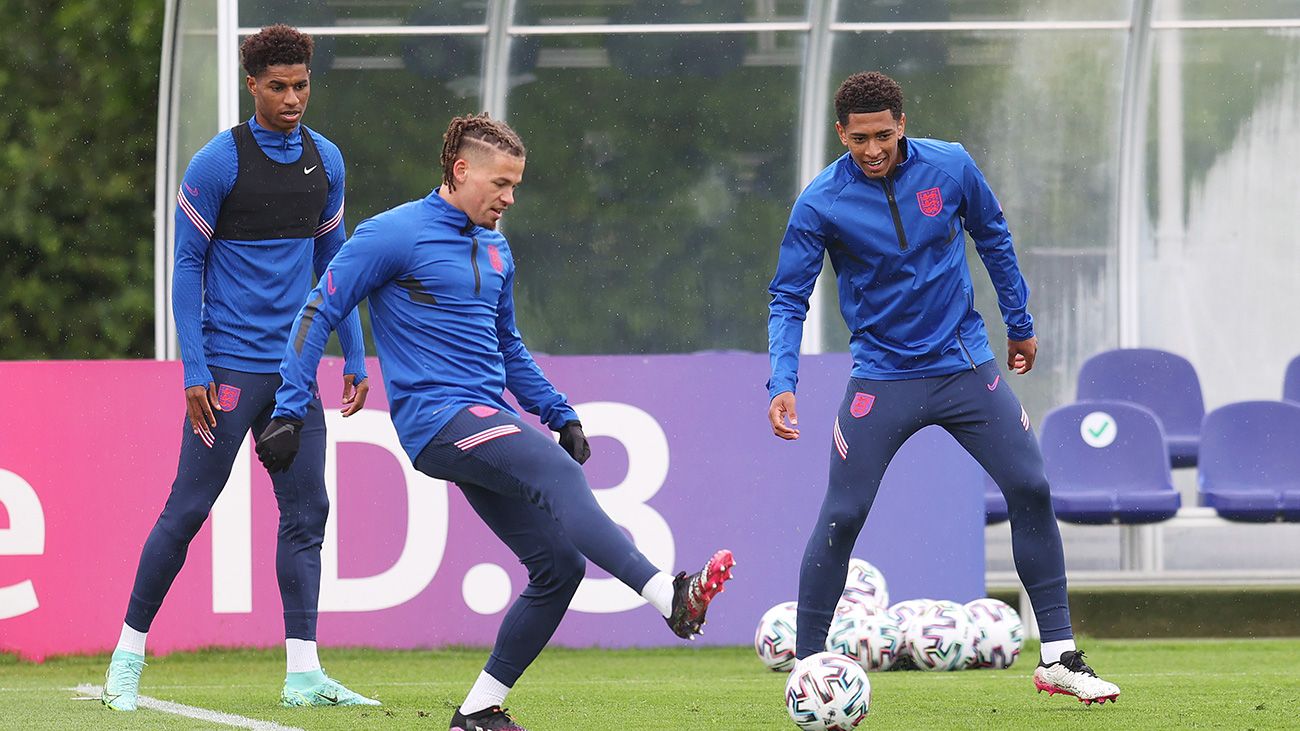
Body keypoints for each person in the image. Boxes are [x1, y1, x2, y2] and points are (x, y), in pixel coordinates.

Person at [253, 112, 736, 731]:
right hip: (436, 420)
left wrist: (559, 412)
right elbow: (318, 308)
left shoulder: (497, 247)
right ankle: (668, 595)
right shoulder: (392, 234)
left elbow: (507, 346)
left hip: (484, 418)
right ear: (461, 171)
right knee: (559, 477)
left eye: (516, 186)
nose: (509, 198)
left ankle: (478, 710)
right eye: (500, 184)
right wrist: (292, 408)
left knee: (560, 565)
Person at [766, 71, 1121, 704]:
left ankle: (1061, 656)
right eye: (859, 139)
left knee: (1031, 486)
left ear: (901, 124)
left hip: (966, 367)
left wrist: (1020, 322)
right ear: (840, 133)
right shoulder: (820, 200)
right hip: (882, 377)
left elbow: (994, 238)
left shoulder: (951, 166)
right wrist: (782, 380)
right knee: (843, 513)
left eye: (883, 135)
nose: (872, 150)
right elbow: (789, 297)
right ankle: (811, 665)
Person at [102, 25, 379, 711]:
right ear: (252, 85)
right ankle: (126, 658)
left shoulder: (327, 161)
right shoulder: (217, 163)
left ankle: (304, 674)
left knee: (306, 513)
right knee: (188, 509)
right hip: (225, 373)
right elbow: (186, 265)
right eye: (279, 86)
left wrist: (353, 350)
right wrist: (192, 368)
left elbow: (336, 267)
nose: (293, 98)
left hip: (293, 375)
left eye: (302, 85)